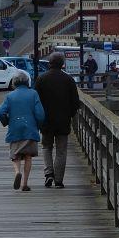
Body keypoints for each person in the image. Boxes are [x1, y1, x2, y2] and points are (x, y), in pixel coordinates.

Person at [34, 51, 80, 188]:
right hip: (63, 121)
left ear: (49, 63)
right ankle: (58, 180)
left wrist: (39, 118)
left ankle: (48, 173)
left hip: (46, 121)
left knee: (46, 147)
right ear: (62, 64)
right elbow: (75, 102)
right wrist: (70, 115)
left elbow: (36, 101)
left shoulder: (41, 79)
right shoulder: (68, 80)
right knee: (61, 151)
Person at [0, 72, 45, 191]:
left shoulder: (10, 96)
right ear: (27, 81)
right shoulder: (33, 94)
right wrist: (38, 125)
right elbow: (40, 114)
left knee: (15, 156)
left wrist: (6, 121)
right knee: (28, 156)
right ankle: (25, 184)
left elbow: (0, 112)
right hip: (30, 129)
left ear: (14, 82)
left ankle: (17, 172)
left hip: (15, 129)